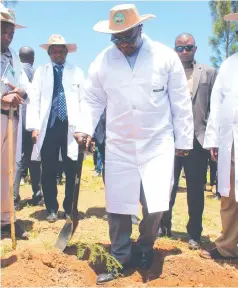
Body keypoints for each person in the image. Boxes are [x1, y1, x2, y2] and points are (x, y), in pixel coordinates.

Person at [75, 4, 193, 284]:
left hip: (157, 142)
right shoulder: (103, 61)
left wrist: (184, 139)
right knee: (117, 206)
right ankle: (119, 257)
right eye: (117, 38)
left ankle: (145, 246)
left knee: (156, 202)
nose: (124, 44)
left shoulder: (165, 57)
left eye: (128, 36)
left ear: (141, 28)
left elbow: (180, 101)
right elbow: (93, 99)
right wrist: (83, 130)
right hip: (120, 144)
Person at [159, 33, 217, 250]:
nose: (184, 51)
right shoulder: (166, 72)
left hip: (197, 140)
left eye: (188, 47)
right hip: (169, 139)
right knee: (167, 186)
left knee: (195, 190)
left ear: (195, 48)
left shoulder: (209, 73)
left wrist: (212, 138)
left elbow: (214, 107)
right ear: (174, 49)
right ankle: (164, 227)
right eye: (179, 48)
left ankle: (194, 233)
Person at [26, 34, 85, 223]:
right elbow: (34, 100)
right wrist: (34, 127)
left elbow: (83, 101)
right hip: (48, 127)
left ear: (66, 52)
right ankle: (51, 208)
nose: (57, 53)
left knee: (71, 169)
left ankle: (69, 208)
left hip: (71, 128)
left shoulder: (76, 72)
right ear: (49, 53)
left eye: (61, 50)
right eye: (54, 51)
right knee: (49, 169)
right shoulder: (41, 72)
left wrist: (83, 128)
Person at [200, 12, 238, 260]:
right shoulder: (229, 64)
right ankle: (227, 246)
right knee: (230, 197)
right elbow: (216, 103)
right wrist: (213, 138)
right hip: (231, 142)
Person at [0, 4, 29, 239]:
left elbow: (23, 86)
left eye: (11, 33)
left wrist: (20, 90)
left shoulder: (13, 57)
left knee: (7, 170)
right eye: (3, 31)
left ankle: (6, 219)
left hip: (11, 118)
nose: (8, 37)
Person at [14, 46, 43, 210]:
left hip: (19, 119)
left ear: (19, 57)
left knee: (18, 159)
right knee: (34, 159)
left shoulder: (15, 71)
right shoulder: (37, 73)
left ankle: (14, 199)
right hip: (34, 123)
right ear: (32, 58)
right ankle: (37, 195)